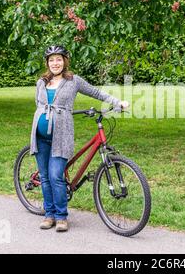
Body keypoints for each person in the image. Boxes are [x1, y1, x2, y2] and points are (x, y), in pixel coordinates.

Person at [29, 45, 129, 232]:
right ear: (47, 63)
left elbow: (97, 92)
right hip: (40, 136)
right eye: (51, 60)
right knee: (44, 176)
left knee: (55, 176)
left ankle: (61, 217)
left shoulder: (73, 81)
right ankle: (48, 215)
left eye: (58, 59)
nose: (55, 63)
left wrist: (117, 102)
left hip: (61, 136)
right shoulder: (41, 82)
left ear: (65, 61)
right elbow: (39, 105)